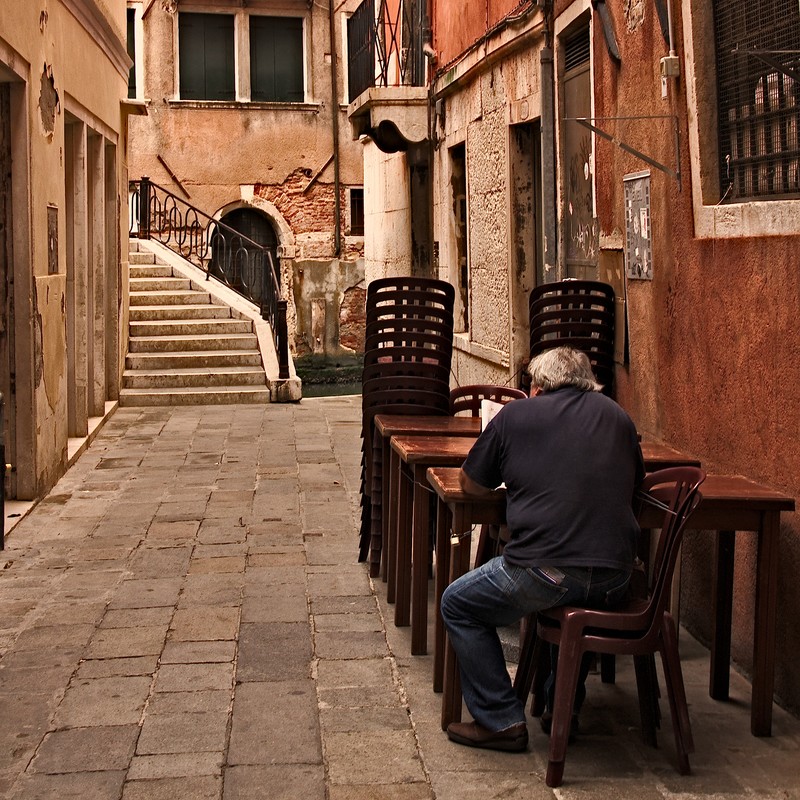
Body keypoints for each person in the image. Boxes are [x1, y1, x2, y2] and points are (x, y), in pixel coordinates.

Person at [441, 346, 644, 752]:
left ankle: (500, 719)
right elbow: (635, 486)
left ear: (535, 386)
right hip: (617, 575)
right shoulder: (619, 418)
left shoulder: (515, 415)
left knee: (457, 604)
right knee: (576, 594)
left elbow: (471, 485)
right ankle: (560, 705)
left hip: (547, 571)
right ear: (589, 383)